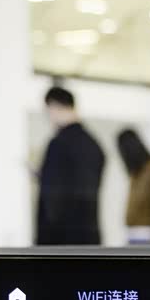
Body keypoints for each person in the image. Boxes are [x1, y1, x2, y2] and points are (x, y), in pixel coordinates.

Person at [36, 86, 106, 245]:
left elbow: (52, 203)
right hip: (90, 239)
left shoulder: (58, 144)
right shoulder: (94, 146)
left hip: (60, 242)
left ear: (54, 106)